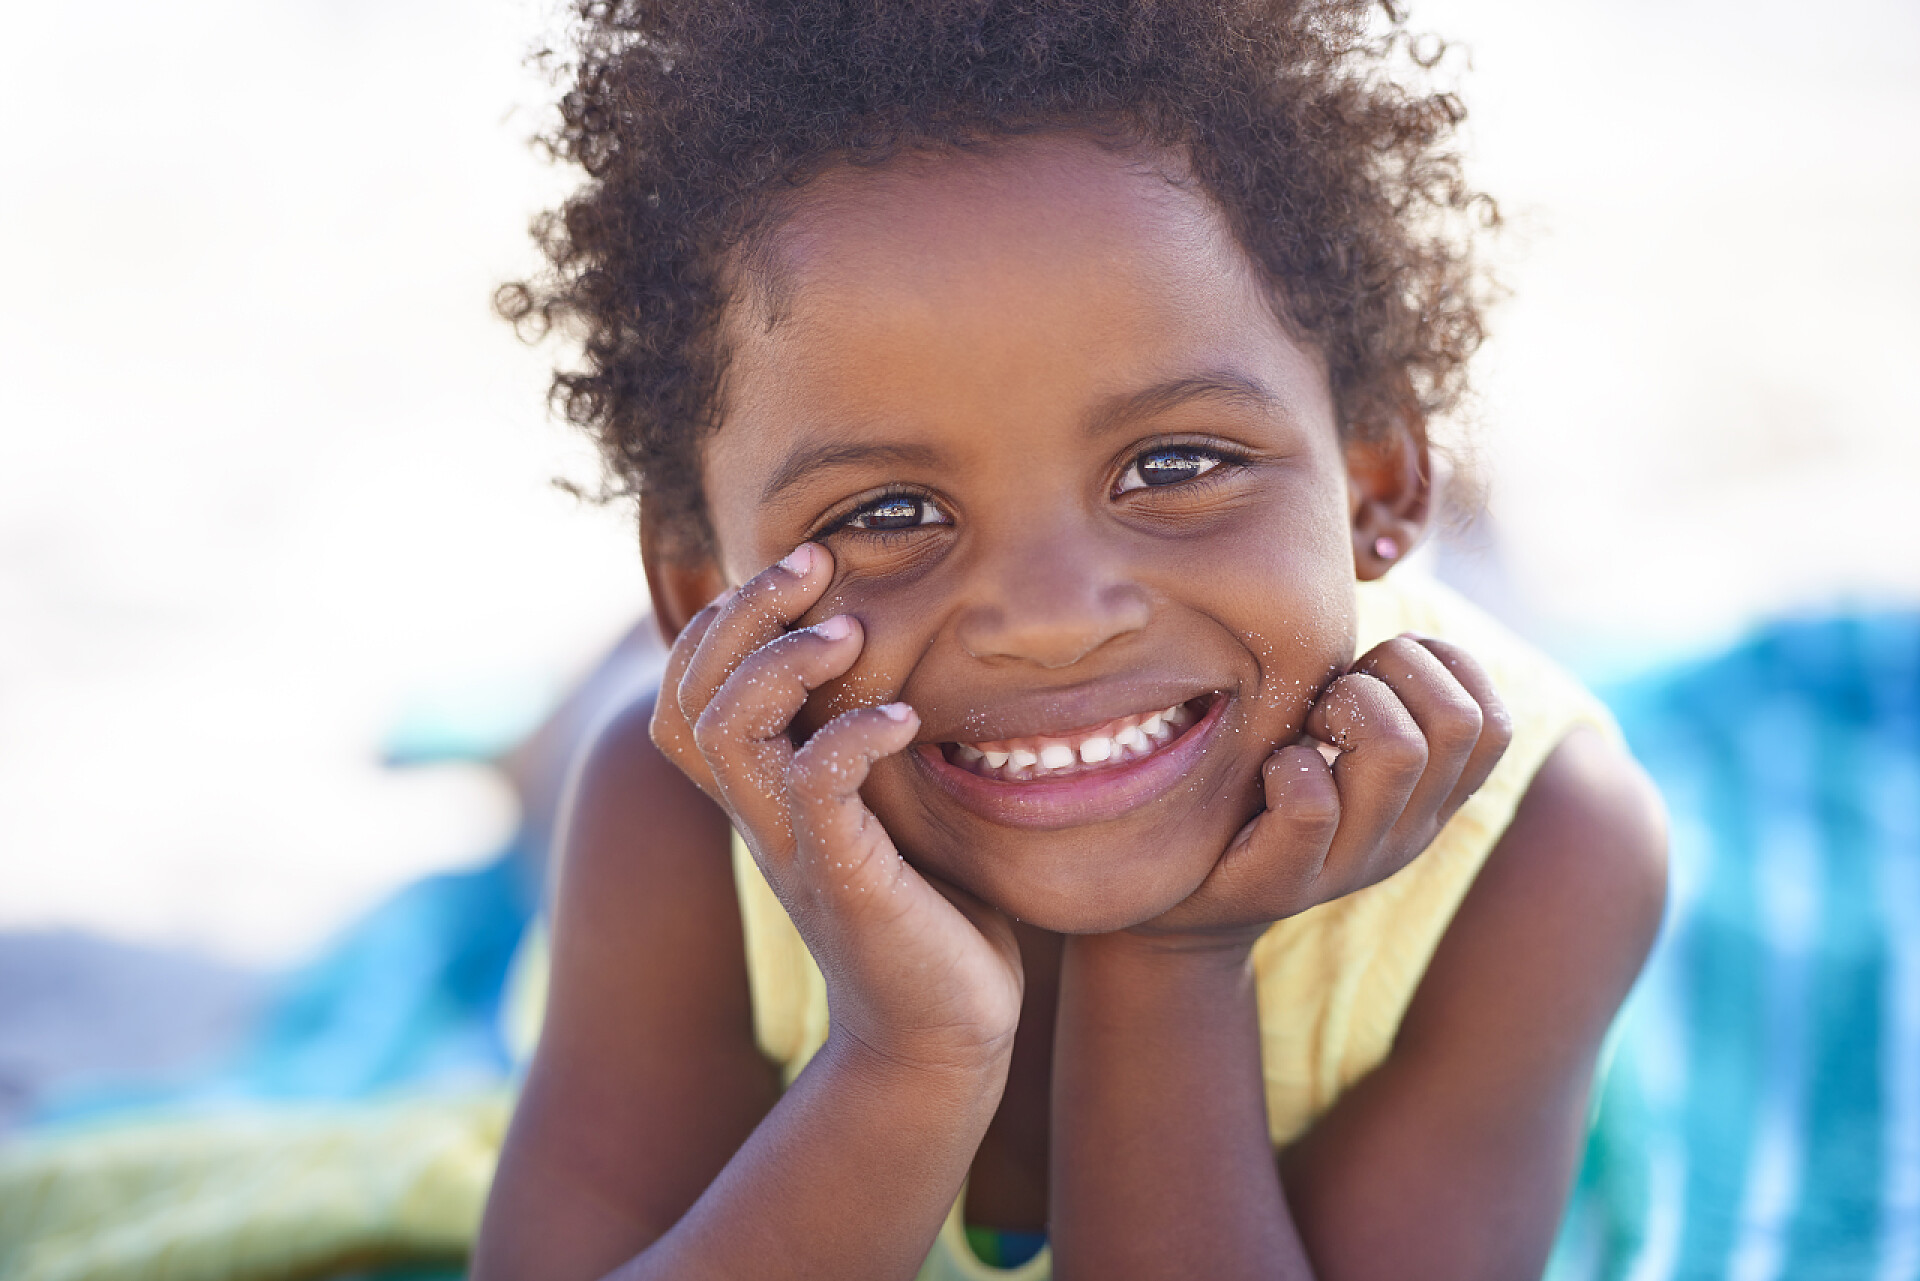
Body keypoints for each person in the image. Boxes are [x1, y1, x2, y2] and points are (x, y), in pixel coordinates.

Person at [472, 3, 1669, 1278]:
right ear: (698, 576)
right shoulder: (674, 820)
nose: (1051, 617)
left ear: (1378, 480)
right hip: (828, 723)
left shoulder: (1545, 846)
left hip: (1182, 671)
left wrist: (1173, 961)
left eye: (1175, 462)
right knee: (568, 756)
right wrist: (910, 1054)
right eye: (887, 511)